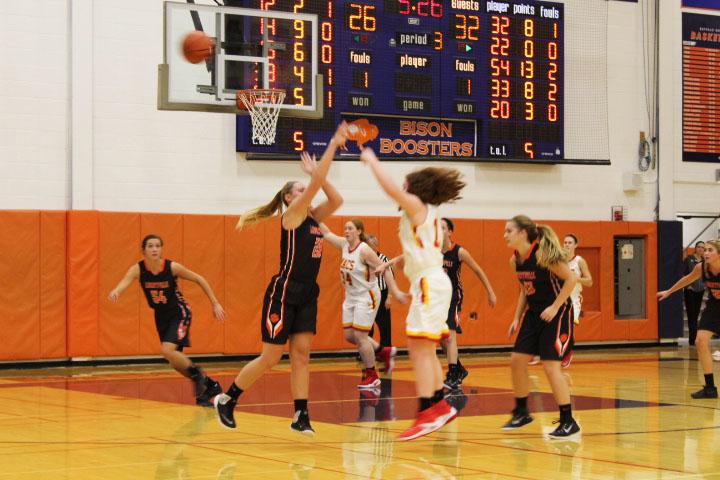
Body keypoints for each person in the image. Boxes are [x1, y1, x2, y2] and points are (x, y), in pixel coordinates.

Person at [214, 123, 347, 435]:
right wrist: (333, 145)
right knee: (271, 357)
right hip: (284, 291)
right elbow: (315, 190)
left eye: (304, 189)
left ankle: (301, 415)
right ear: (289, 198)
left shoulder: (314, 218)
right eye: (299, 190)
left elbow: (336, 200)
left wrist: (319, 175)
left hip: (307, 293)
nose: (305, 192)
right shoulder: (293, 216)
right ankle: (228, 399)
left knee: (302, 355)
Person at [360, 147, 465, 441]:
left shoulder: (418, 206)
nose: (402, 188)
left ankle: (429, 411)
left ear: (415, 188)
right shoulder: (422, 212)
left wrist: (372, 160)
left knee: (419, 348)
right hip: (428, 282)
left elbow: (391, 188)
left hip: (430, 282)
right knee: (423, 348)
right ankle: (435, 407)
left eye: (406, 184)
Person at [108, 234, 226, 406]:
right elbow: (124, 282)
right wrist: (116, 291)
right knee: (175, 362)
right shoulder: (138, 269)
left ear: (161, 249)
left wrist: (215, 303)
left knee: (167, 350)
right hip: (161, 316)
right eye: (150, 246)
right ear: (143, 251)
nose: (154, 249)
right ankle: (211, 386)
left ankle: (199, 375)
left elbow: (199, 279)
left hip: (179, 312)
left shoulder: (171, 267)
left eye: (157, 246)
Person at [502, 215, 580, 439]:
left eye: (509, 230)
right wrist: (517, 318)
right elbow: (525, 290)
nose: (505, 235)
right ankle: (521, 412)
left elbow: (571, 280)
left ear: (523, 233)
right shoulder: (515, 260)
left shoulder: (544, 255)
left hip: (557, 313)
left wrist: (555, 307)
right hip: (534, 314)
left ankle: (568, 421)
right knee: (517, 361)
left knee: (550, 367)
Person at [319, 219, 406, 388]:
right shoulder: (344, 244)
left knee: (360, 337)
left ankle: (372, 375)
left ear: (359, 231)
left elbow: (385, 268)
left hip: (366, 295)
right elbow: (327, 234)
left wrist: (394, 292)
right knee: (350, 336)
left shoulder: (365, 250)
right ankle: (384, 351)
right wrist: (313, 215)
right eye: (345, 228)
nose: (346, 231)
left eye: (350, 228)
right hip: (351, 296)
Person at [658, 239, 720, 399]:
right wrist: (670, 291)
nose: (705, 253)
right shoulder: (702, 267)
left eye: (710, 250)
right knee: (700, 341)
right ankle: (710, 388)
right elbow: (687, 279)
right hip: (714, 306)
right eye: (704, 250)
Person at [440, 217, 497, 389]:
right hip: (438, 299)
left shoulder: (459, 251)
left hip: (454, 297)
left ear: (450, 232)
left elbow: (478, 270)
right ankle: (459, 369)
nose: (438, 230)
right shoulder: (433, 250)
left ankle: (452, 374)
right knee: (442, 338)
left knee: (450, 336)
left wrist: (490, 292)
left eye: (442, 227)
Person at [559, 233, 593, 368]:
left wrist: (574, 278)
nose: (566, 244)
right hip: (560, 297)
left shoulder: (579, 261)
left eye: (569, 242)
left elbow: (589, 281)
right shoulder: (559, 261)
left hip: (573, 299)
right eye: (565, 242)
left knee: (569, 327)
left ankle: (567, 353)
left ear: (575, 245)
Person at [366, 233, 395, 358]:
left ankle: (386, 353)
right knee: (366, 326)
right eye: (369, 245)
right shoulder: (363, 258)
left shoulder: (383, 259)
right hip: (368, 295)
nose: (371, 248)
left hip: (382, 294)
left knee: (384, 327)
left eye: (373, 245)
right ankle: (367, 353)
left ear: (376, 246)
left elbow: (391, 278)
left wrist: (389, 296)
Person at [683, 241, 706, 346]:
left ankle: (694, 339)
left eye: (703, 247)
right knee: (691, 315)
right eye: (699, 247)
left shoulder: (705, 261)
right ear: (695, 248)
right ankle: (692, 340)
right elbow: (683, 273)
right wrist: (687, 285)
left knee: (696, 315)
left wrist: (705, 285)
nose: (701, 249)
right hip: (690, 291)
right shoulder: (689, 259)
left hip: (700, 291)